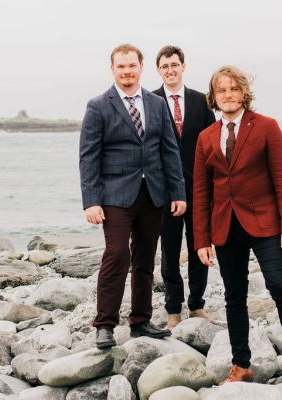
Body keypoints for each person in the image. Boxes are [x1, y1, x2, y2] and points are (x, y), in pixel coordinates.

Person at [193, 65, 282, 389]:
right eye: (222, 90)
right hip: (225, 227)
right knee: (234, 297)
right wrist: (201, 239)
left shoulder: (266, 127)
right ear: (214, 97)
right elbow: (201, 192)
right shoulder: (205, 138)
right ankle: (241, 364)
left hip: (266, 224)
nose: (228, 95)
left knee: (280, 287)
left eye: (233, 89)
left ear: (243, 93)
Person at [79, 43, 187, 349]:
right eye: (121, 66)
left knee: (144, 258)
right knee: (116, 254)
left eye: (132, 66)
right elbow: (88, 157)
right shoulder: (98, 106)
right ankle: (104, 325)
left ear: (140, 68)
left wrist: (177, 192)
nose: (127, 71)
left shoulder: (156, 103)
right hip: (114, 195)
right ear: (112, 69)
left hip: (153, 193)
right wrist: (91, 200)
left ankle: (140, 321)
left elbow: (169, 150)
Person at [153, 45, 216, 329]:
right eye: (165, 66)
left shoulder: (201, 101)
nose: (170, 70)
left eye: (174, 64)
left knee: (199, 247)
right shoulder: (150, 101)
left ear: (183, 66)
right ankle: (173, 309)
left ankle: (197, 304)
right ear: (158, 70)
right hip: (165, 192)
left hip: (199, 188)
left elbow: (212, 144)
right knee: (168, 251)